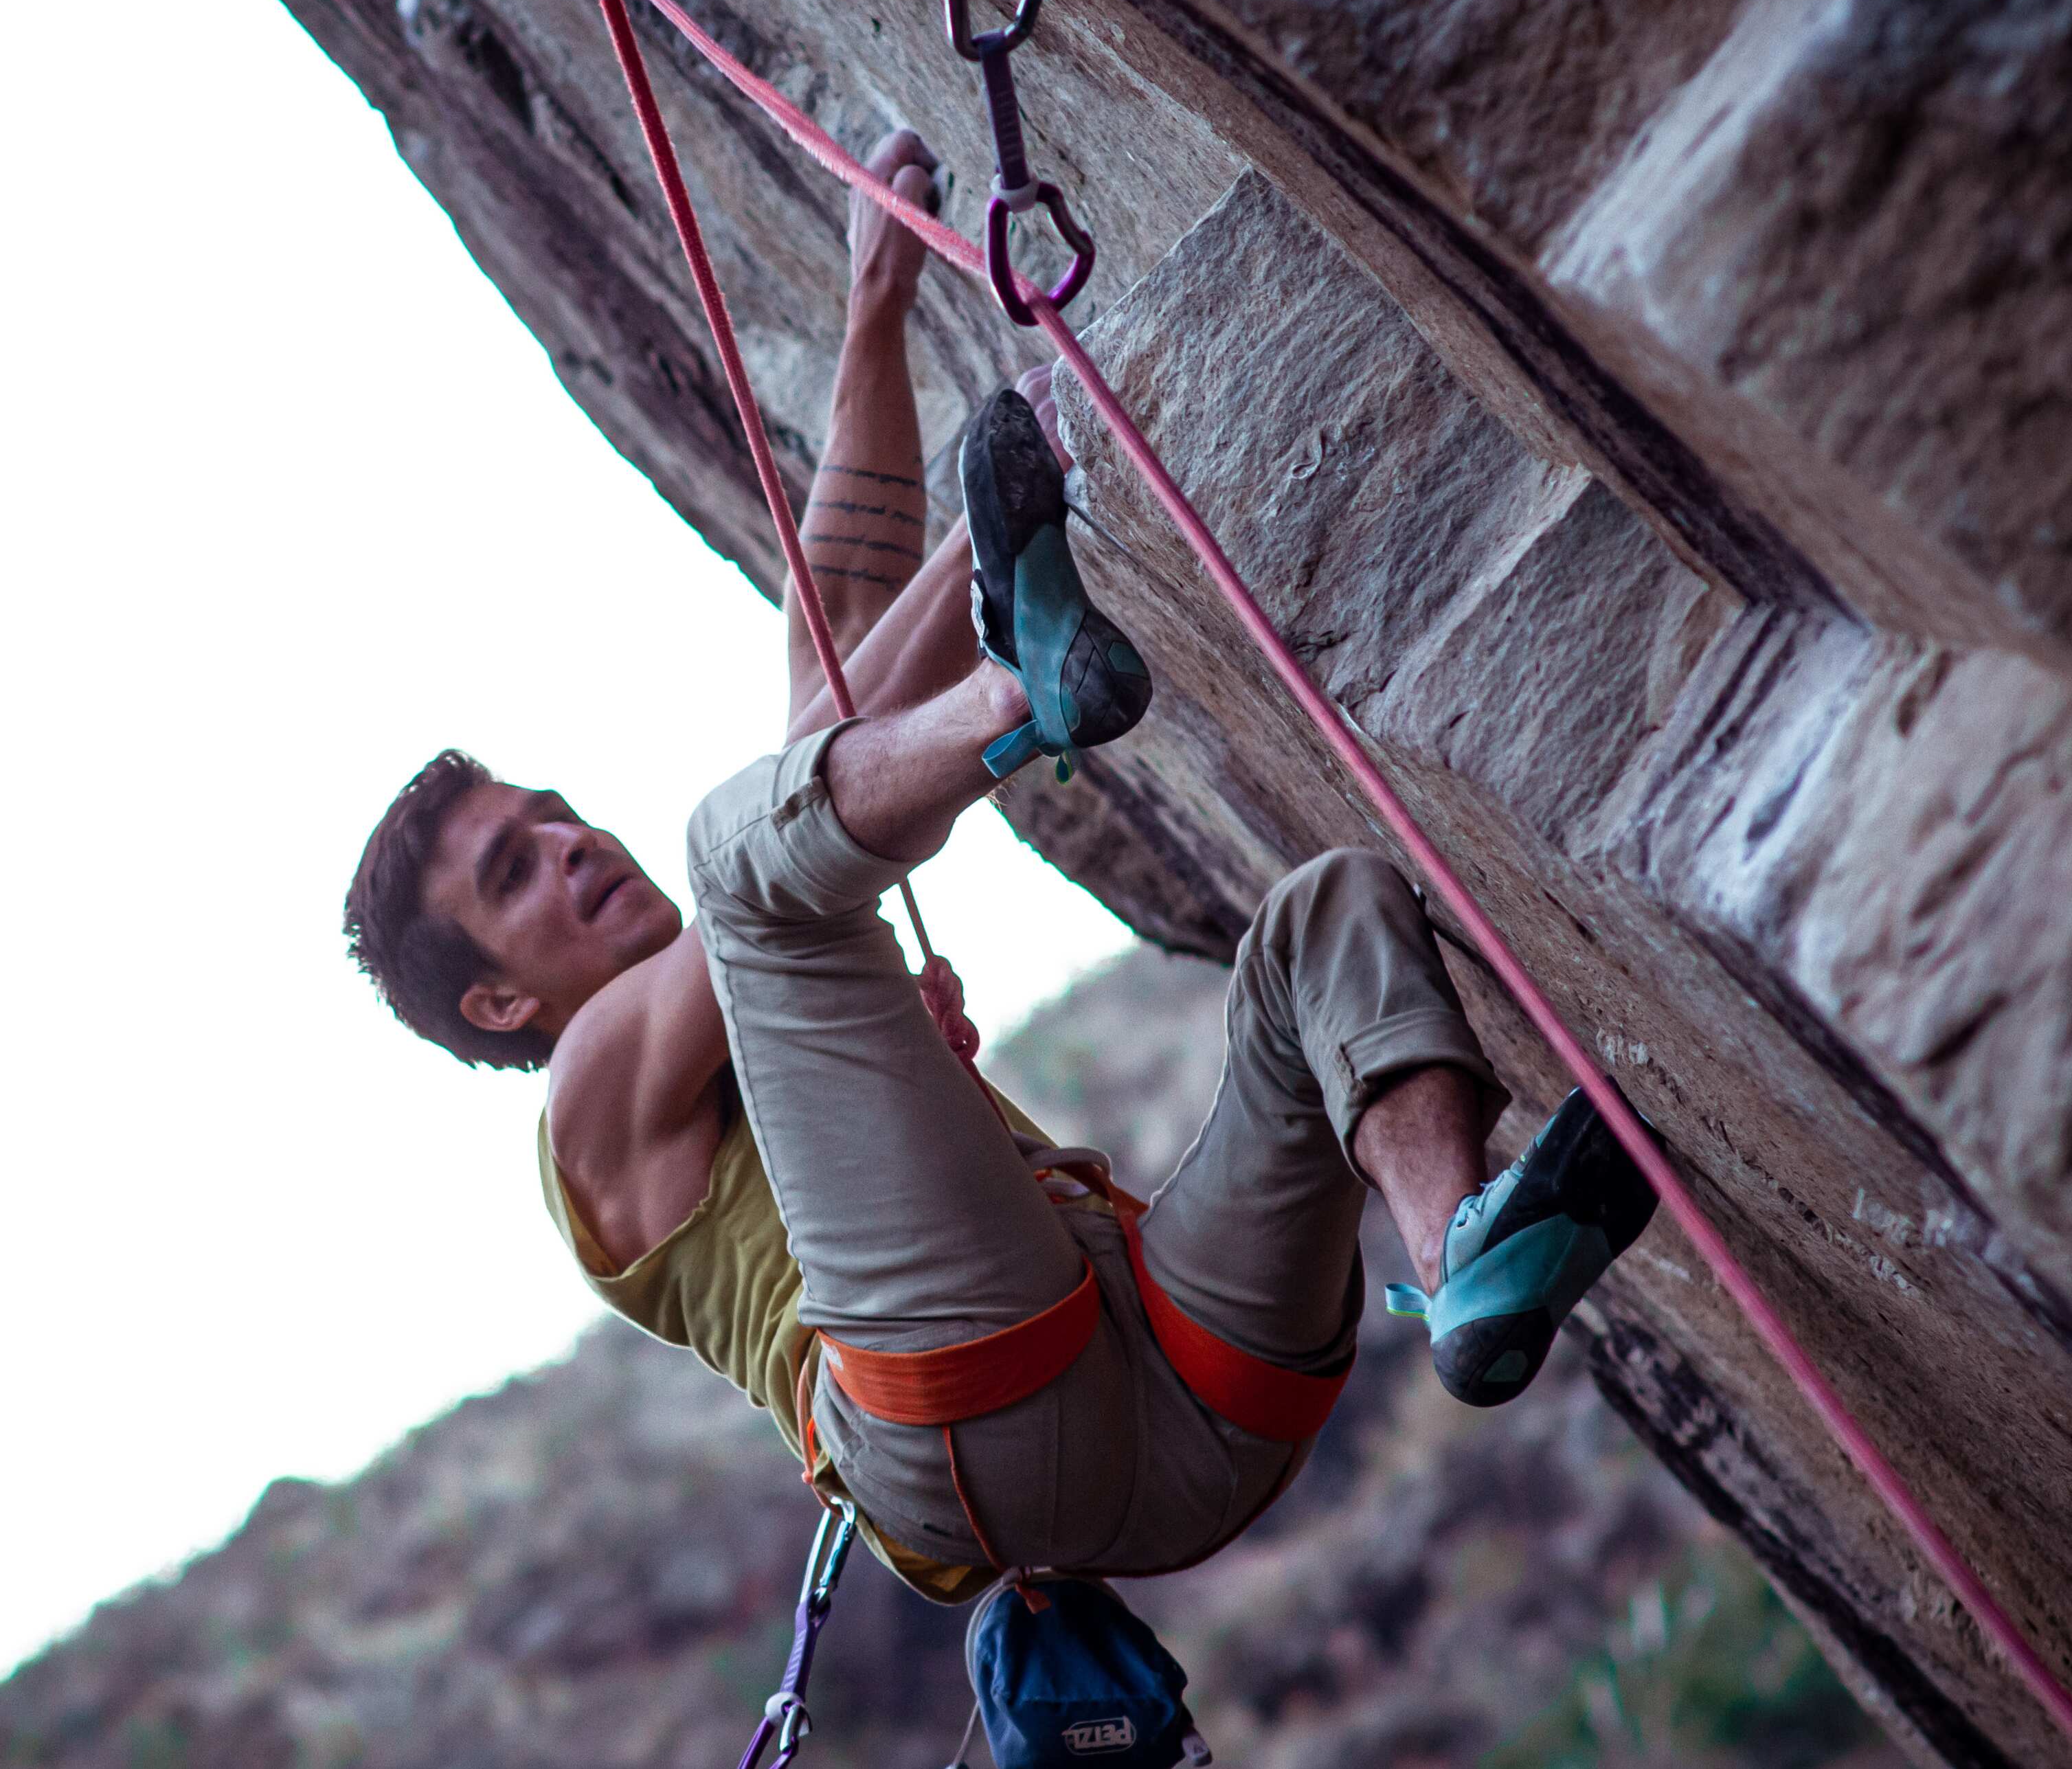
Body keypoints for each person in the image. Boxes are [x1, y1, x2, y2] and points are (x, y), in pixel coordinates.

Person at [341, 130, 1657, 1601]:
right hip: (966, 1426)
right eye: (513, 875)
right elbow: (810, 748)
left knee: (1328, 915)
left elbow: (828, 688)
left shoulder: (764, 979)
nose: (572, 843)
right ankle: (1021, 694)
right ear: (499, 1006)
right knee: (746, 842)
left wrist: (880, 316)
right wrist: (993, 529)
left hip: (1190, 1393)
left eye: (554, 813)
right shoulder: (589, 1119)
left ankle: (1457, 1245)